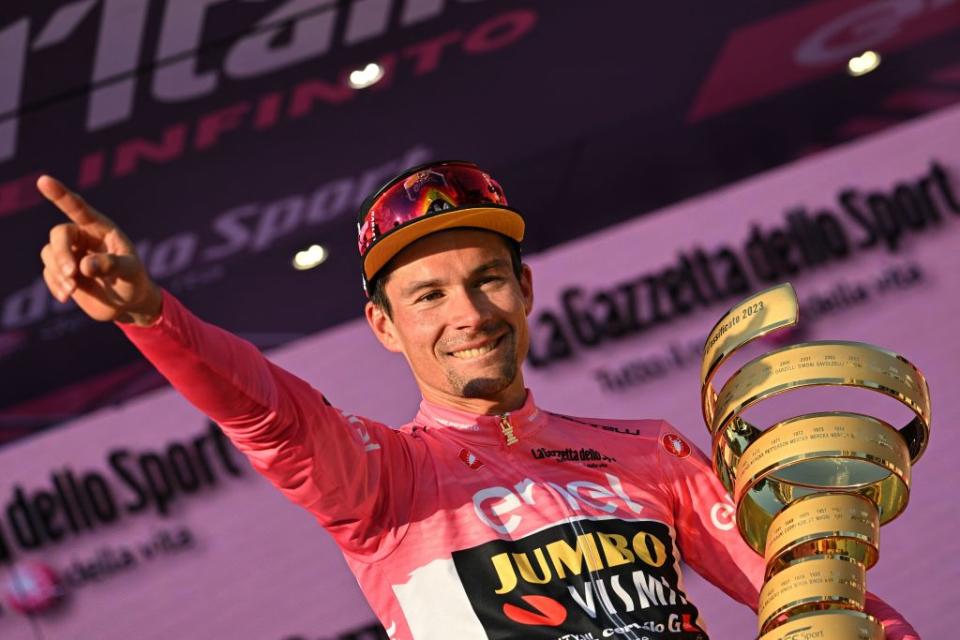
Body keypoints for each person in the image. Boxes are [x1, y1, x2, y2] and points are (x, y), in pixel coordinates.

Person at [36, 162, 919, 640]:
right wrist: (151, 316)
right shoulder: (380, 484)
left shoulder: (648, 449)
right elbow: (265, 409)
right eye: (428, 295)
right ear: (383, 326)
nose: (469, 315)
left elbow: (810, 591)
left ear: (525, 289)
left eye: (488, 280)